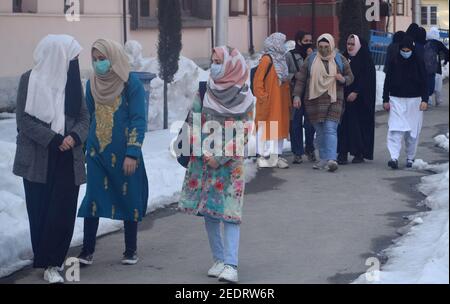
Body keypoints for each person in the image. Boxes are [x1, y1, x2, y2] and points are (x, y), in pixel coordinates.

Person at [13, 35, 89, 284]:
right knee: (41, 210)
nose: (76, 62)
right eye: (74, 58)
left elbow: (84, 117)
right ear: (59, 55)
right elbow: (24, 121)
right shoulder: (30, 80)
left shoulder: (73, 81)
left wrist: (74, 137)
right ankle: (44, 259)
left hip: (69, 157)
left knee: (64, 211)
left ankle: (55, 262)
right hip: (39, 157)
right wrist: (55, 139)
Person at [178, 46, 254, 284]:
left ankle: (231, 264)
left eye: (219, 61)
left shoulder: (245, 97)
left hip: (230, 165)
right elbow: (193, 123)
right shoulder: (206, 90)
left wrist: (219, 157)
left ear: (232, 64)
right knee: (210, 213)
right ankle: (219, 259)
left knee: (230, 214)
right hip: (204, 162)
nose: (214, 65)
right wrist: (203, 152)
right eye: (212, 61)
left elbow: (243, 132)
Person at [77, 39, 148, 266]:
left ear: (114, 58)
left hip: (125, 153)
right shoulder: (92, 84)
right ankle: (87, 251)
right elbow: (87, 118)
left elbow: (138, 119)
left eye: (103, 59)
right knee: (93, 199)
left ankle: (130, 249)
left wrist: (132, 153)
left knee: (128, 196)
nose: (99, 64)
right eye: (95, 59)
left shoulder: (130, 83)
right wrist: (84, 148)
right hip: (97, 152)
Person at [293, 33, 354, 172]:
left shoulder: (339, 59)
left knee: (330, 129)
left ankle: (332, 159)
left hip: (334, 99)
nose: (323, 49)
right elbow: (301, 78)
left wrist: (343, 79)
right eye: (320, 46)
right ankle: (323, 159)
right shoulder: (311, 59)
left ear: (332, 45)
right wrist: (296, 96)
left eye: (326, 46)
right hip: (314, 101)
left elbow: (350, 76)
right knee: (320, 132)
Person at [383, 36, 428, 169]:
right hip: (396, 99)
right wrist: (385, 99)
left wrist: (425, 100)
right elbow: (387, 81)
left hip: (415, 101)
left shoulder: (418, 62)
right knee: (395, 129)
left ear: (412, 49)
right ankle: (394, 157)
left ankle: (410, 157)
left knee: (412, 132)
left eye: (408, 49)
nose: (405, 52)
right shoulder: (394, 61)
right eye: (403, 49)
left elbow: (424, 82)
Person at [253, 33, 291, 169]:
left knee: (279, 128)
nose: (283, 45)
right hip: (269, 101)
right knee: (264, 128)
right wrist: (263, 97)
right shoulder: (266, 60)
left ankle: (277, 156)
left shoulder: (281, 59)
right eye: (282, 42)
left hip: (281, 101)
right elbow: (258, 81)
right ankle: (260, 156)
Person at [338, 34, 376, 164]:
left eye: (352, 44)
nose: (349, 46)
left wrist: (356, 92)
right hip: (344, 98)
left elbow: (367, 78)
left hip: (360, 100)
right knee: (343, 127)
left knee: (358, 127)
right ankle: (342, 153)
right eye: (348, 43)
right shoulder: (344, 57)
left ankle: (358, 153)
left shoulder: (365, 58)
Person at [286, 31, 317, 164]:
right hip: (296, 94)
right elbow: (283, 73)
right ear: (299, 41)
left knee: (310, 125)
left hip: (311, 94)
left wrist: (311, 58)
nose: (309, 43)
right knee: (295, 124)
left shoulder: (315, 55)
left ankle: (309, 149)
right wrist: (294, 76)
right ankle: (297, 152)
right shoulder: (290, 55)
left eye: (310, 40)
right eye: (306, 41)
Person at [426, 27, 449, 106]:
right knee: (438, 87)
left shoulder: (426, 42)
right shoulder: (438, 43)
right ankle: (438, 100)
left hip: (427, 68)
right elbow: (447, 52)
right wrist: (445, 61)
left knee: (428, 84)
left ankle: (428, 100)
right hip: (437, 68)